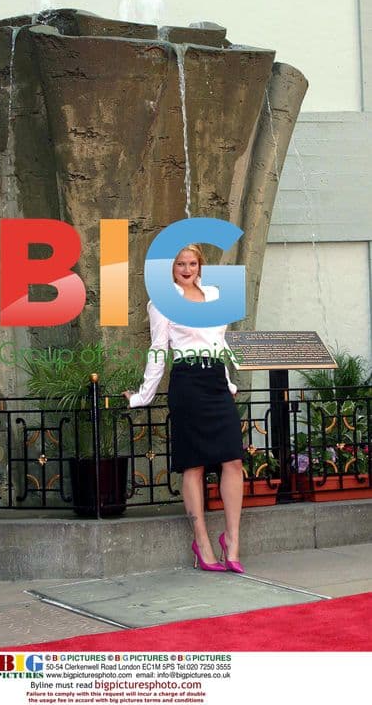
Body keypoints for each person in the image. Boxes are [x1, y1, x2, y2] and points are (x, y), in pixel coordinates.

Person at [123, 244, 245, 573]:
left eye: (192, 262)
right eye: (180, 263)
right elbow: (157, 349)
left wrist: (229, 384)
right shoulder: (163, 303)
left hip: (216, 384)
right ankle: (203, 543)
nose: (187, 268)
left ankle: (232, 542)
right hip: (187, 383)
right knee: (193, 465)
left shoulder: (215, 296)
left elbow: (219, 344)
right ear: (172, 268)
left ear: (200, 265)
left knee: (233, 461)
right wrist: (143, 396)